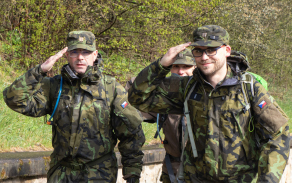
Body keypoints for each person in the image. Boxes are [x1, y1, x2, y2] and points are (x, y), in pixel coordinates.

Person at [127, 25, 290, 182]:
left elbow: (279, 133)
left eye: (211, 50)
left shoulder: (249, 88)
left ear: (227, 50)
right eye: (198, 51)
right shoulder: (187, 88)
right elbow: (138, 97)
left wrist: (267, 179)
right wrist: (161, 65)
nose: (204, 57)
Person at [3, 30, 145, 183]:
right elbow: (14, 99)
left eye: (86, 52)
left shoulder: (111, 89)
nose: (80, 57)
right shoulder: (54, 87)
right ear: (66, 55)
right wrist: (40, 70)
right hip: (61, 174)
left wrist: (132, 174)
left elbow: (131, 134)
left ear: (95, 54)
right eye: (74, 52)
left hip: (98, 174)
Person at [125, 49, 196, 183]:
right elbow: (133, 91)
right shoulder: (164, 98)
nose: (181, 72)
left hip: (201, 171)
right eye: (176, 66)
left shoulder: (206, 95)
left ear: (195, 68)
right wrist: (160, 74)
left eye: (186, 67)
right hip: (172, 170)